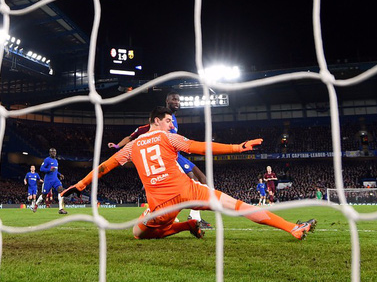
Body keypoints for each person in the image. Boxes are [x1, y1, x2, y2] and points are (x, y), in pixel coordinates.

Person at [68, 106, 316, 240]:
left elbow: (104, 167)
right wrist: (236, 147)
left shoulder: (131, 147)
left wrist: (80, 184)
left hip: (162, 205)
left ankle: (187, 224)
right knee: (239, 206)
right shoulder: (167, 137)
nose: (171, 124)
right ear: (156, 121)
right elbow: (200, 147)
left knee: (139, 233)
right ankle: (291, 227)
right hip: (190, 192)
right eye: (168, 120)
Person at [107, 92, 212, 228]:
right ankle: (188, 217)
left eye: (178, 100)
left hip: (178, 154)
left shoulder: (172, 118)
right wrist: (116, 145)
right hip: (170, 156)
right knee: (194, 183)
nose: (177, 102)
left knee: (203, 180)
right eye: (174, 99)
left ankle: (187, 215)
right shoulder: (148, 128)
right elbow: (131, 137)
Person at [34, 148, 67, 214]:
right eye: (52, 152)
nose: (54, 153)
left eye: (55, 152)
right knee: (44, 195)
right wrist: (49, 169)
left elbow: (55, 170)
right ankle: (36, 204)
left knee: (61, 190)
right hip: (48, 181)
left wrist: (60, 174)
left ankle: (61, 209)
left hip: (55, 180)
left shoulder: (56, 161)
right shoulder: (47, 160)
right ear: (50, 153)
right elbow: (41, 169)